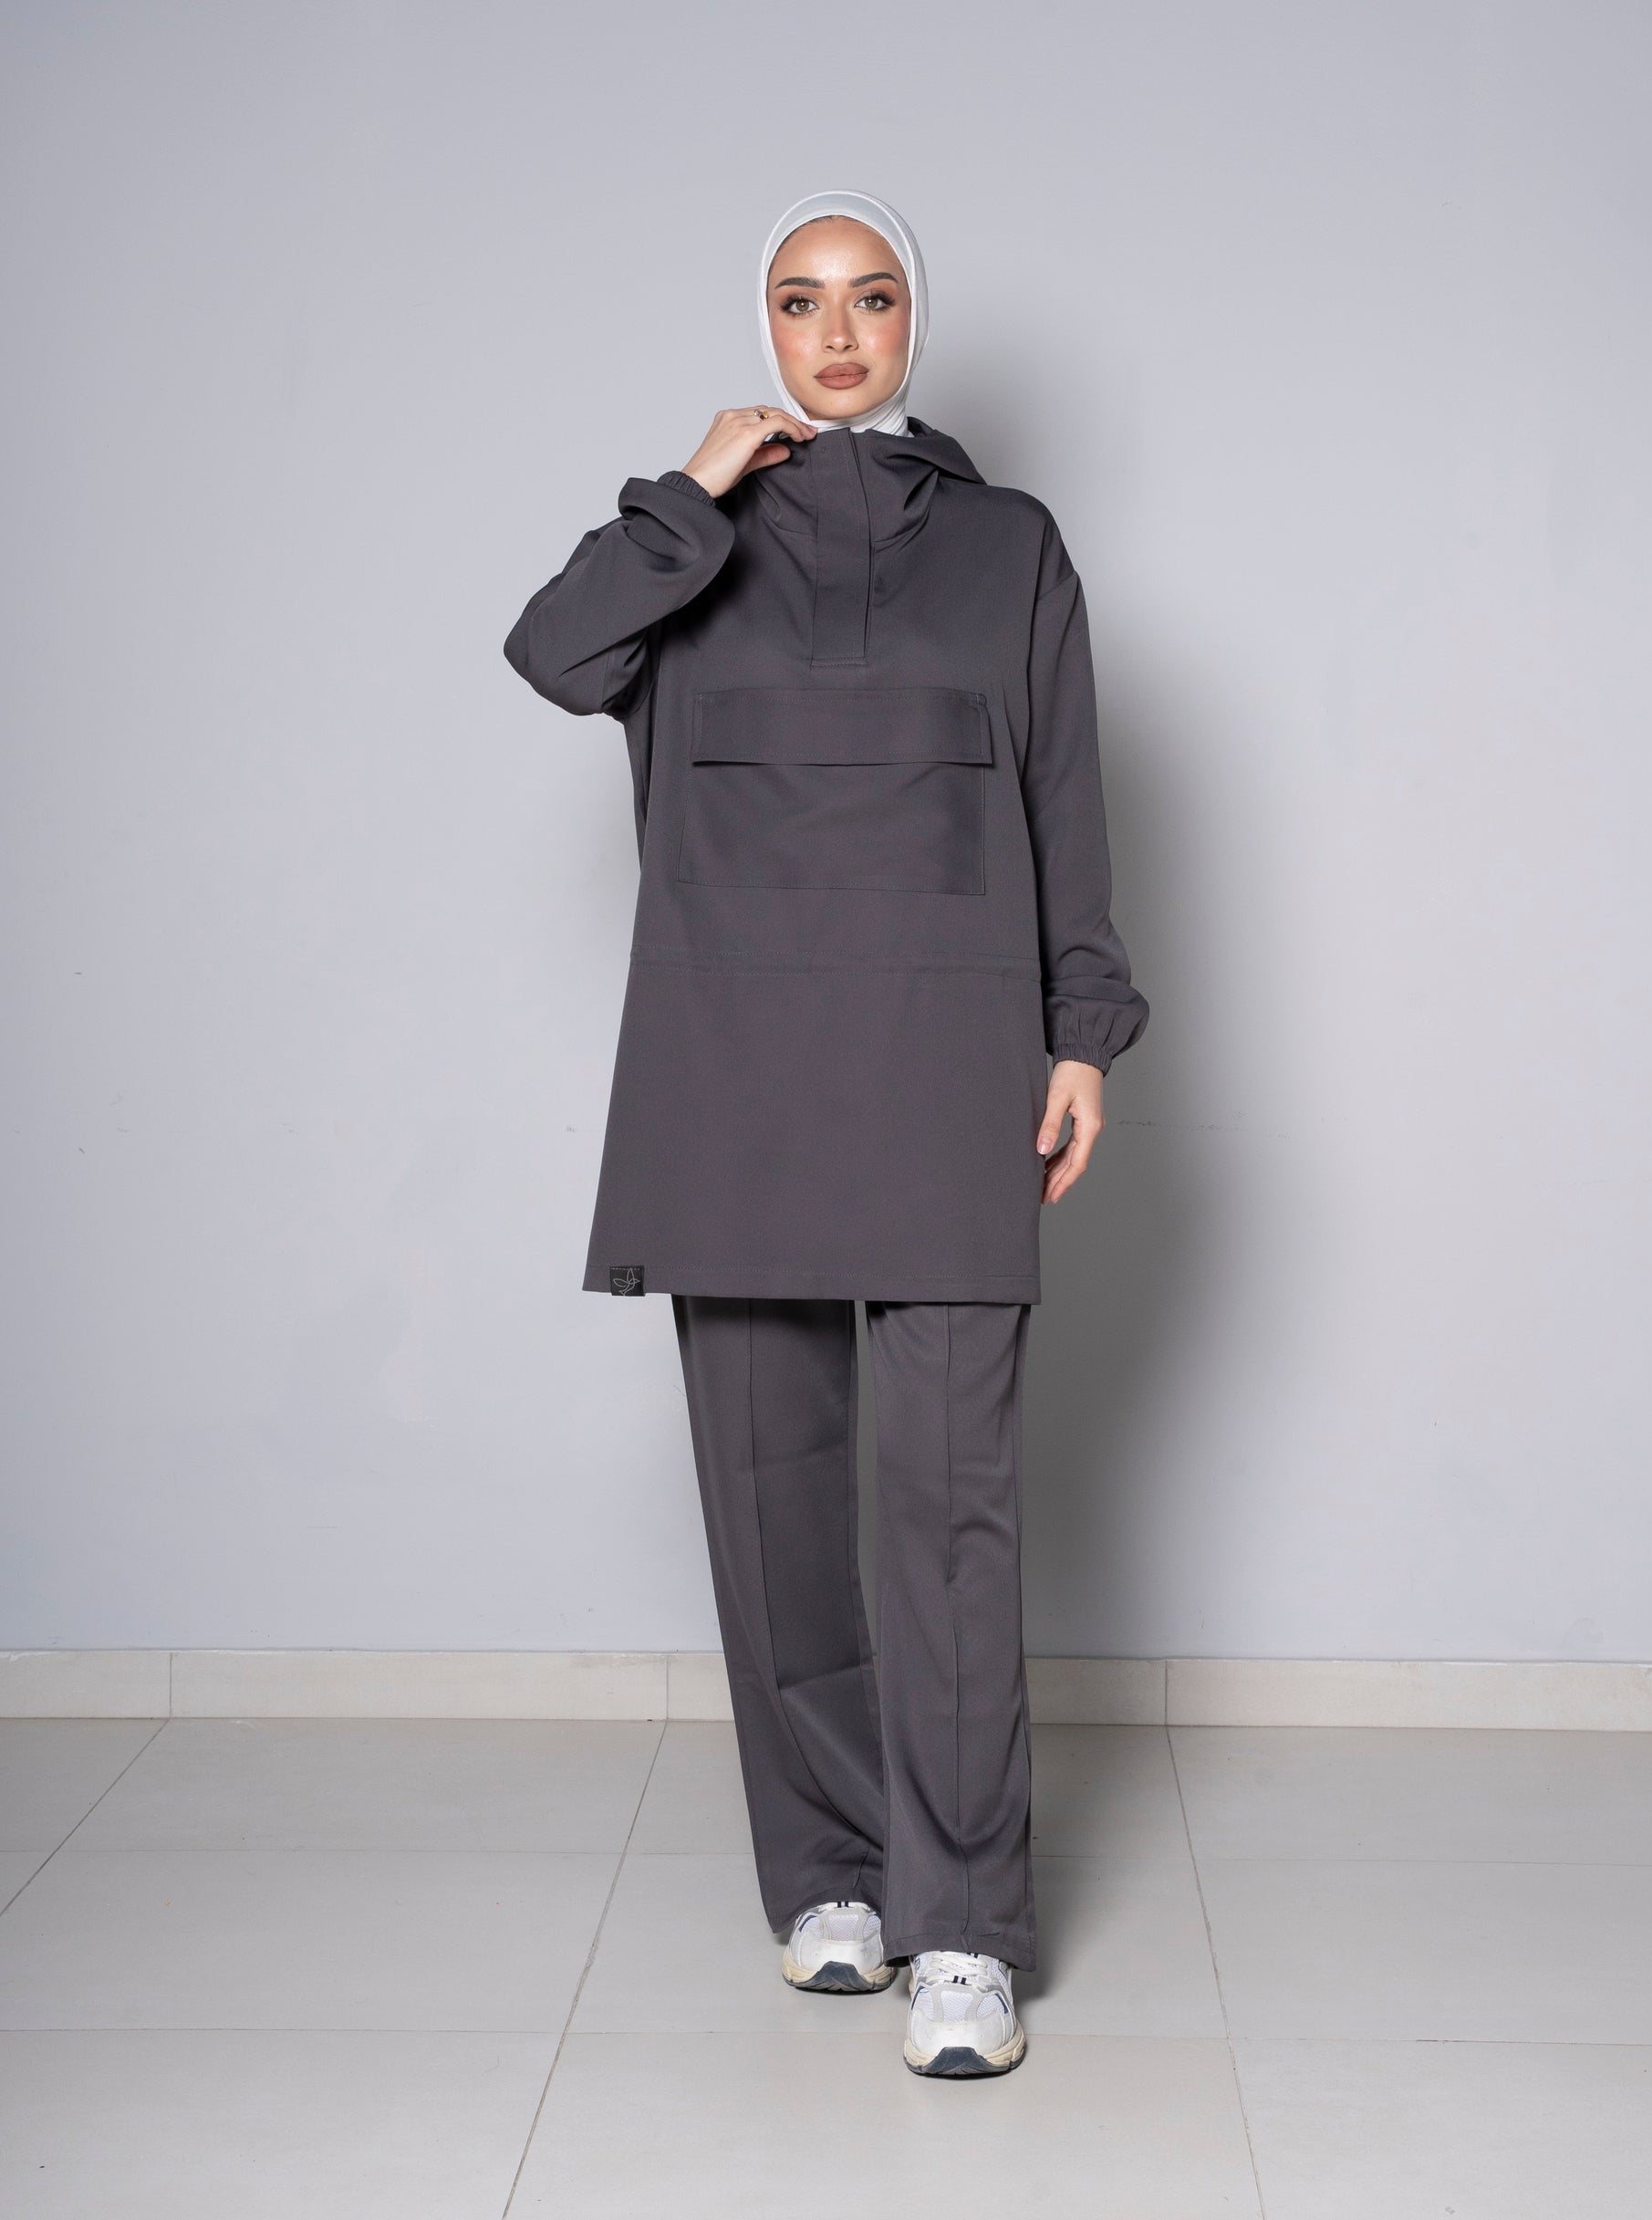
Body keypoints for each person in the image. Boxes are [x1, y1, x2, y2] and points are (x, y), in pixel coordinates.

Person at [504, 189, 1148, 2079]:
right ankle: (831, 1877)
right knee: (771, 1497)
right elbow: (550, 656)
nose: (838, 333)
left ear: (912, 322)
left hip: (949, 1055)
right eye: (801, 301)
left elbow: (1063, 787)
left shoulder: (1011, 547)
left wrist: (1082, 1030)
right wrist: (687, 494)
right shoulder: (685, 543)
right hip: (735, 1061)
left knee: (950, 1512)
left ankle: (966, 1929)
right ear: (767, 327)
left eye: (871, 299)